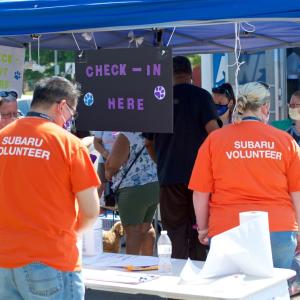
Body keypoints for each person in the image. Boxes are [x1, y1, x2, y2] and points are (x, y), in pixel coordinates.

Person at [0, 76, 100, 300]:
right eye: (72, 114)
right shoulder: (68, 143)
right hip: (50, 259)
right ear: (62, 106)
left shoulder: (2, 138)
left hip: (4, 261)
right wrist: (73, 232)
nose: (70, 120)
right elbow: (91, 210)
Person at [189, 81, 300, 272]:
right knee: (272, 292)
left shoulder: (215, 140)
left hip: (227, 229)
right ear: (265, 107)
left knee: (232, 291)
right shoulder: (285, 141)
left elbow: (200, 193)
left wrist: (204, 228)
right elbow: (297, 193)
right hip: (278, 229)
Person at [143, 56, 220, 260]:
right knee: (201, 230)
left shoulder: (157, 99)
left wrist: (162, 162)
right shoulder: (202, 96)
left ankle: (175, 287)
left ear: (169, 74)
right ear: (190, 74)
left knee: (174, 233)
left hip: (169, 176)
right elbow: (214, 133)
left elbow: (148, 142)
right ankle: (198, 282)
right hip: (201, 179)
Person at [105, 132, 159, 255]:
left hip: (133, 188)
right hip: (154, 184)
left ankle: (132, 267)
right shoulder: (152, 131)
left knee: (133, 231)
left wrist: (107, 170)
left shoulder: (126, 134)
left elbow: (112, 166)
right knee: (147, 228)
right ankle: (147, 264)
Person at [93, 131, 118, 198]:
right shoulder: (103, 123)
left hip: (122, 162)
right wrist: (105, 154)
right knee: (98, 188)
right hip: (104, 161)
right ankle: (96, 207)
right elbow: (96, 143)